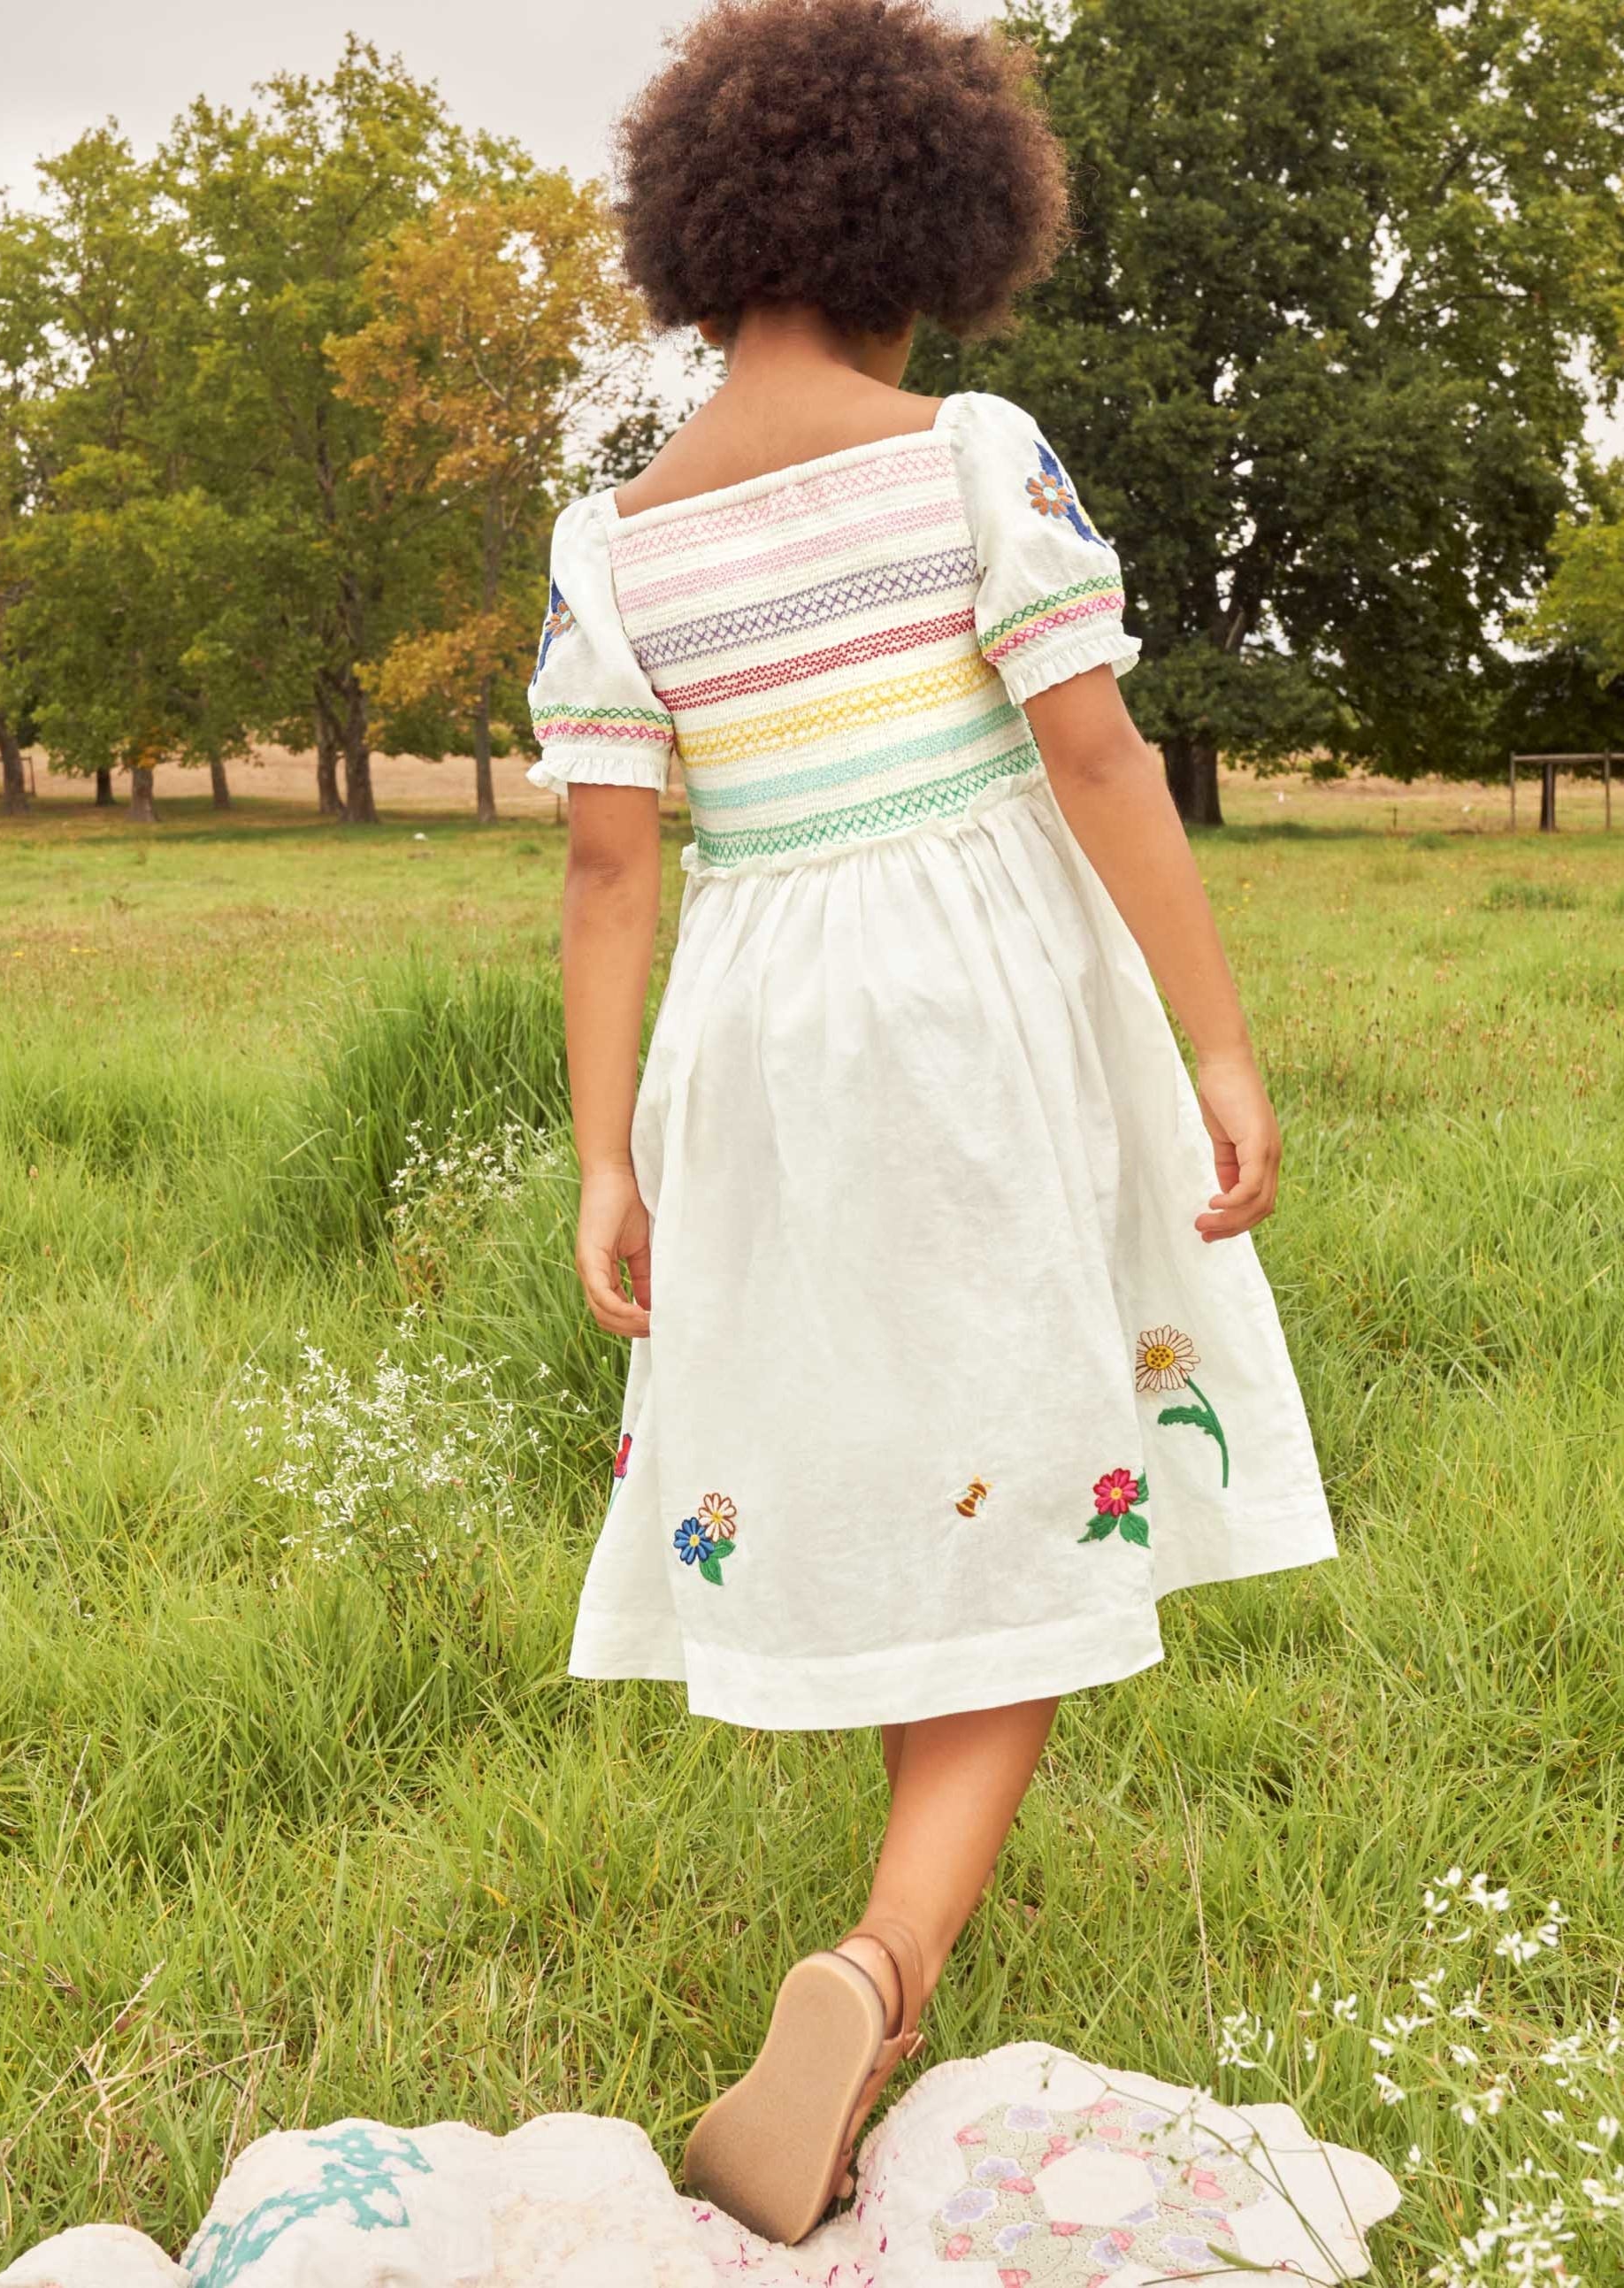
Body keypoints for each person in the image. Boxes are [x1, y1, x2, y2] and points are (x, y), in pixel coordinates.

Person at [526, 0, 1337, 2246]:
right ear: (935, 225)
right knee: (1041, 1496)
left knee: (922, 1456)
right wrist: (1218, 1040)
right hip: (974, 1017)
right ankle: (883, 1967)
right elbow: (1091, 756)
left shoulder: (617, 544)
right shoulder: (969, 453)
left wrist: (607, 1155)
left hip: (752, 1037)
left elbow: (612, 867)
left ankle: (876, 1939)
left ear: (699, 238)